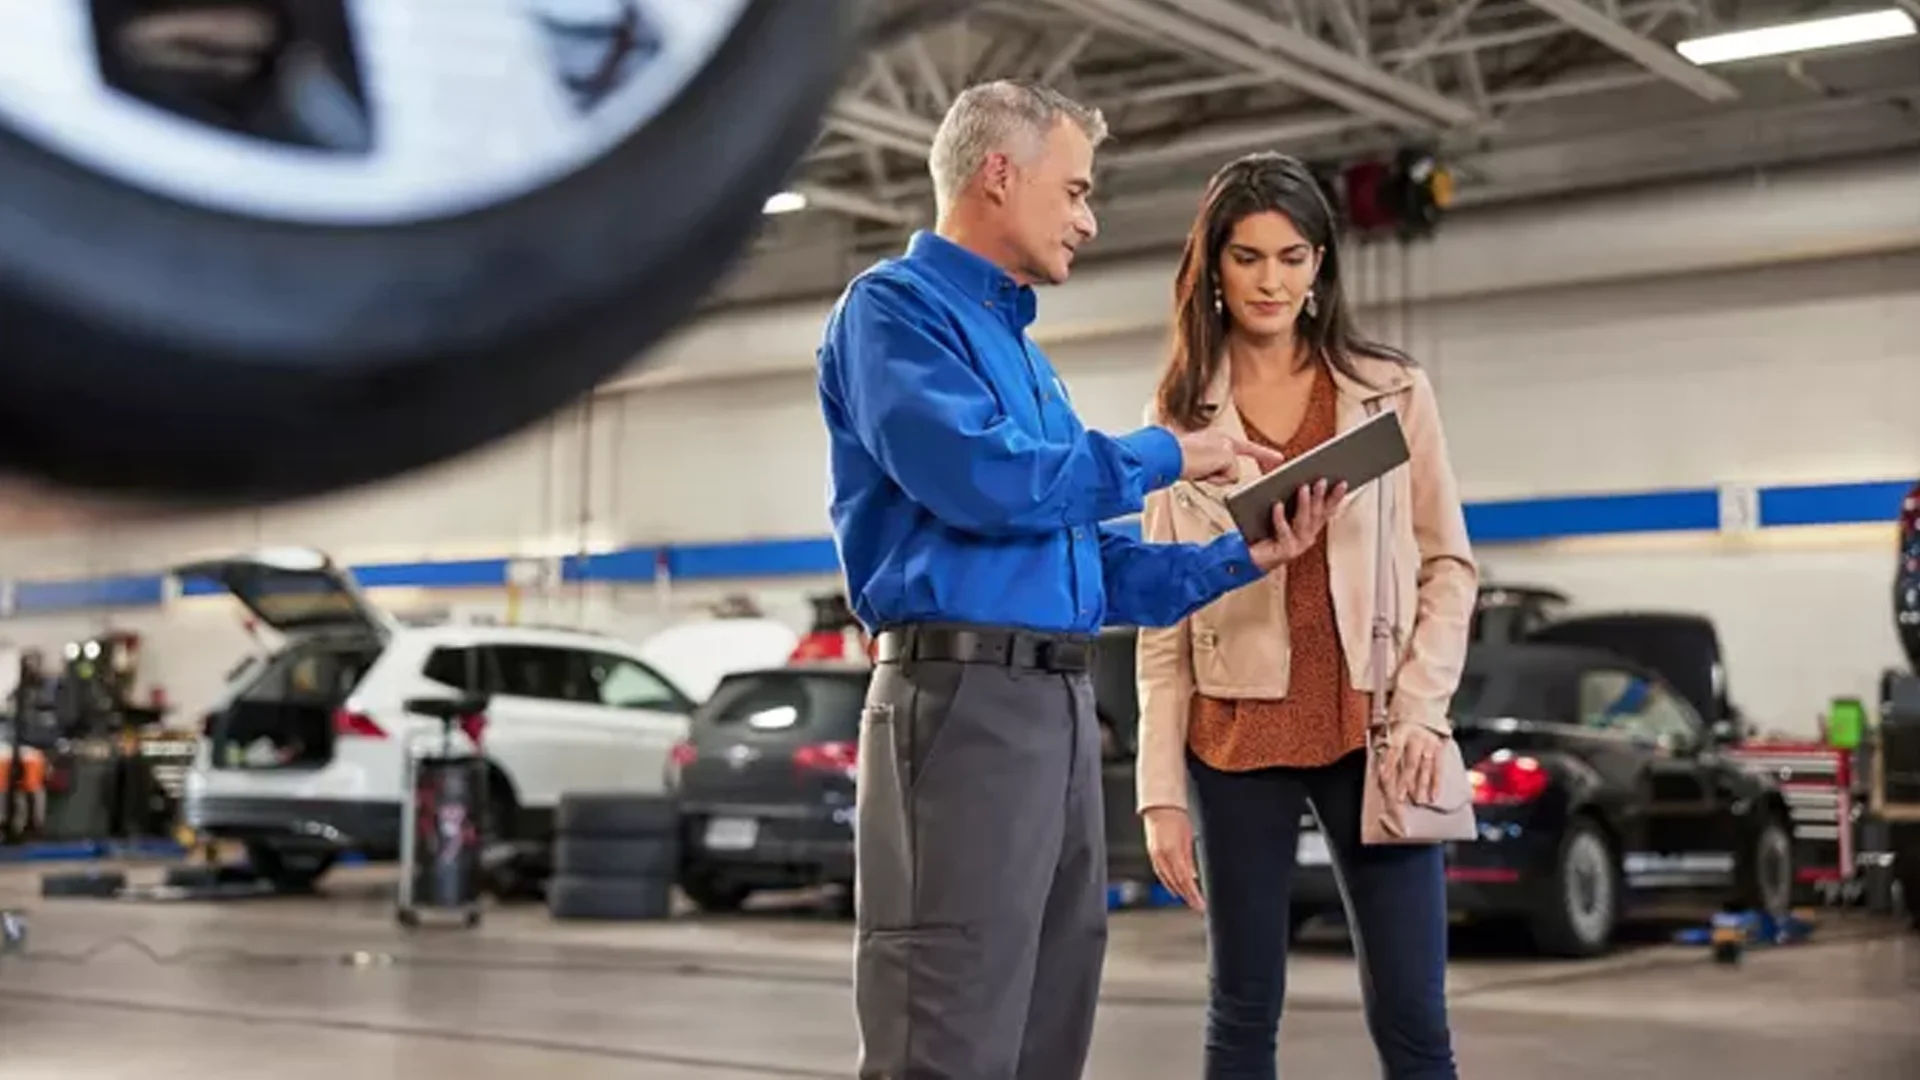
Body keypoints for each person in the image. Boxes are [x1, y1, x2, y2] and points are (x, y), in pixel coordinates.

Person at [814, 83, 1342, 1080]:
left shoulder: (1024, 357)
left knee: (1048, 1021)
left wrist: (1241, 553)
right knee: (950, 1021)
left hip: (1052, 706)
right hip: (962, 703)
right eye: (1076, 191)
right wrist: (1164, 455)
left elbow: (1080, 561)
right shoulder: (893, 313)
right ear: (999, 175)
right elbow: (984, 481)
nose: (1089, 220)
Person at [1133, 151, 1478, 1080]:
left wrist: (1422, 710)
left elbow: (1449, 563)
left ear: (1321, 264)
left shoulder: (1393, 390)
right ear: (1214, 268)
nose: (1271, 280)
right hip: (1235, 738)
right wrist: (1159, 792)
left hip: (1375, 732)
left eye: (1292, 256)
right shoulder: (1177, 424)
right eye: (1248, 258)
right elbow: (1161, 626)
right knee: (1241, 1013)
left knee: (1415, 1017)